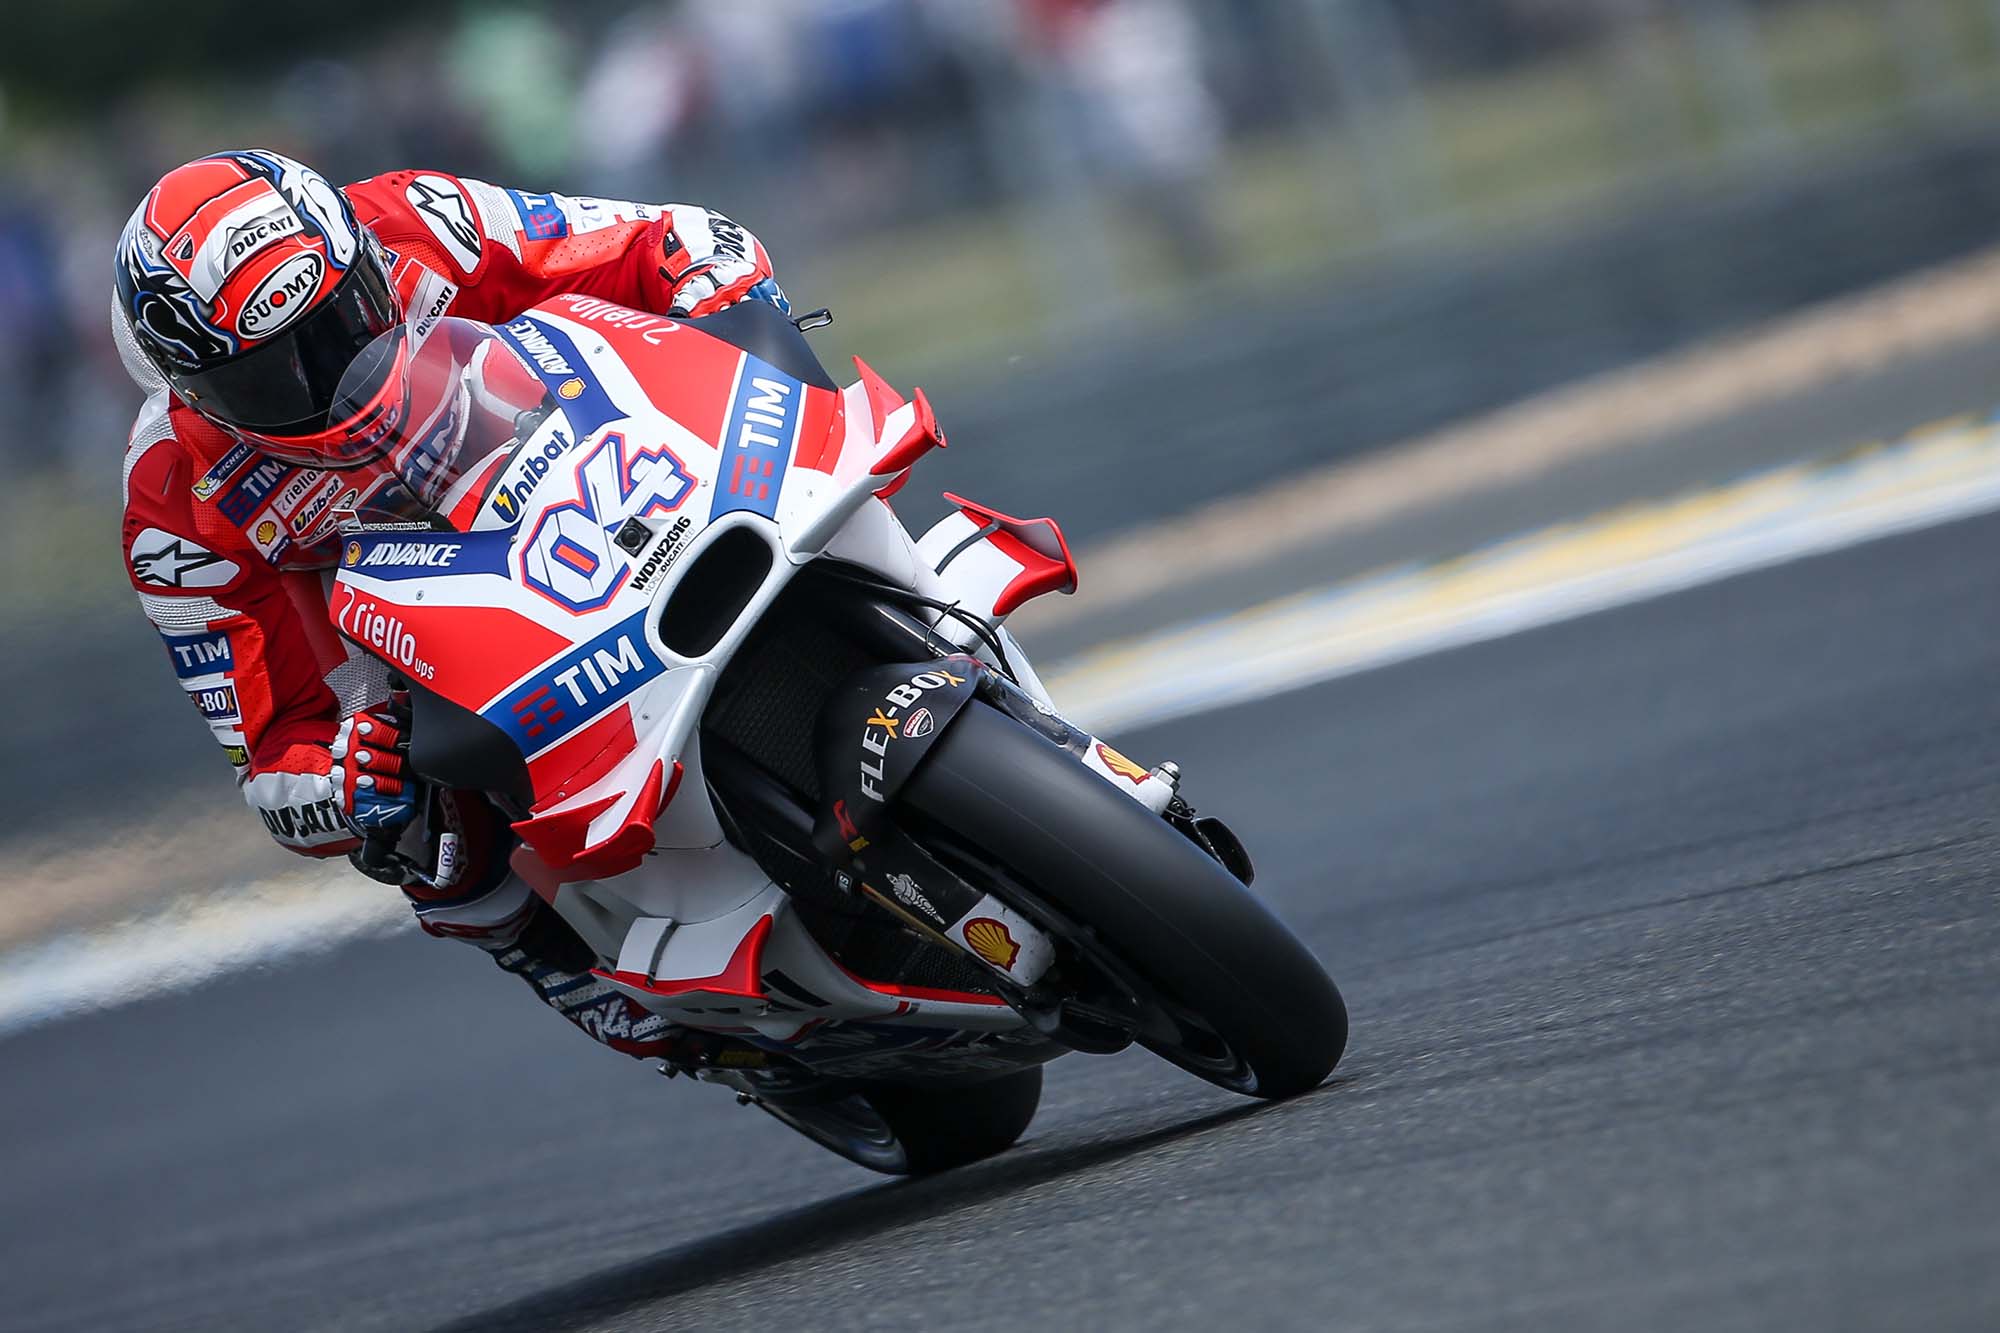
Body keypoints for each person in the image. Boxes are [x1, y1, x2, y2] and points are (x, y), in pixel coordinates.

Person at [115, 149, 789, 1060]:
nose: (322, 379)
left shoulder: (421, 218)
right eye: (269, 376)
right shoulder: (169, 495)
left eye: (340, 325)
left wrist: (729, 307)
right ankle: (561, 962)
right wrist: (339, 780)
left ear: (361, 256)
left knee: (791, 427)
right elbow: (271, 756)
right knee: (405, 817)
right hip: (415, 627)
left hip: (603, 471)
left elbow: (667, 240)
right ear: (192, 386)